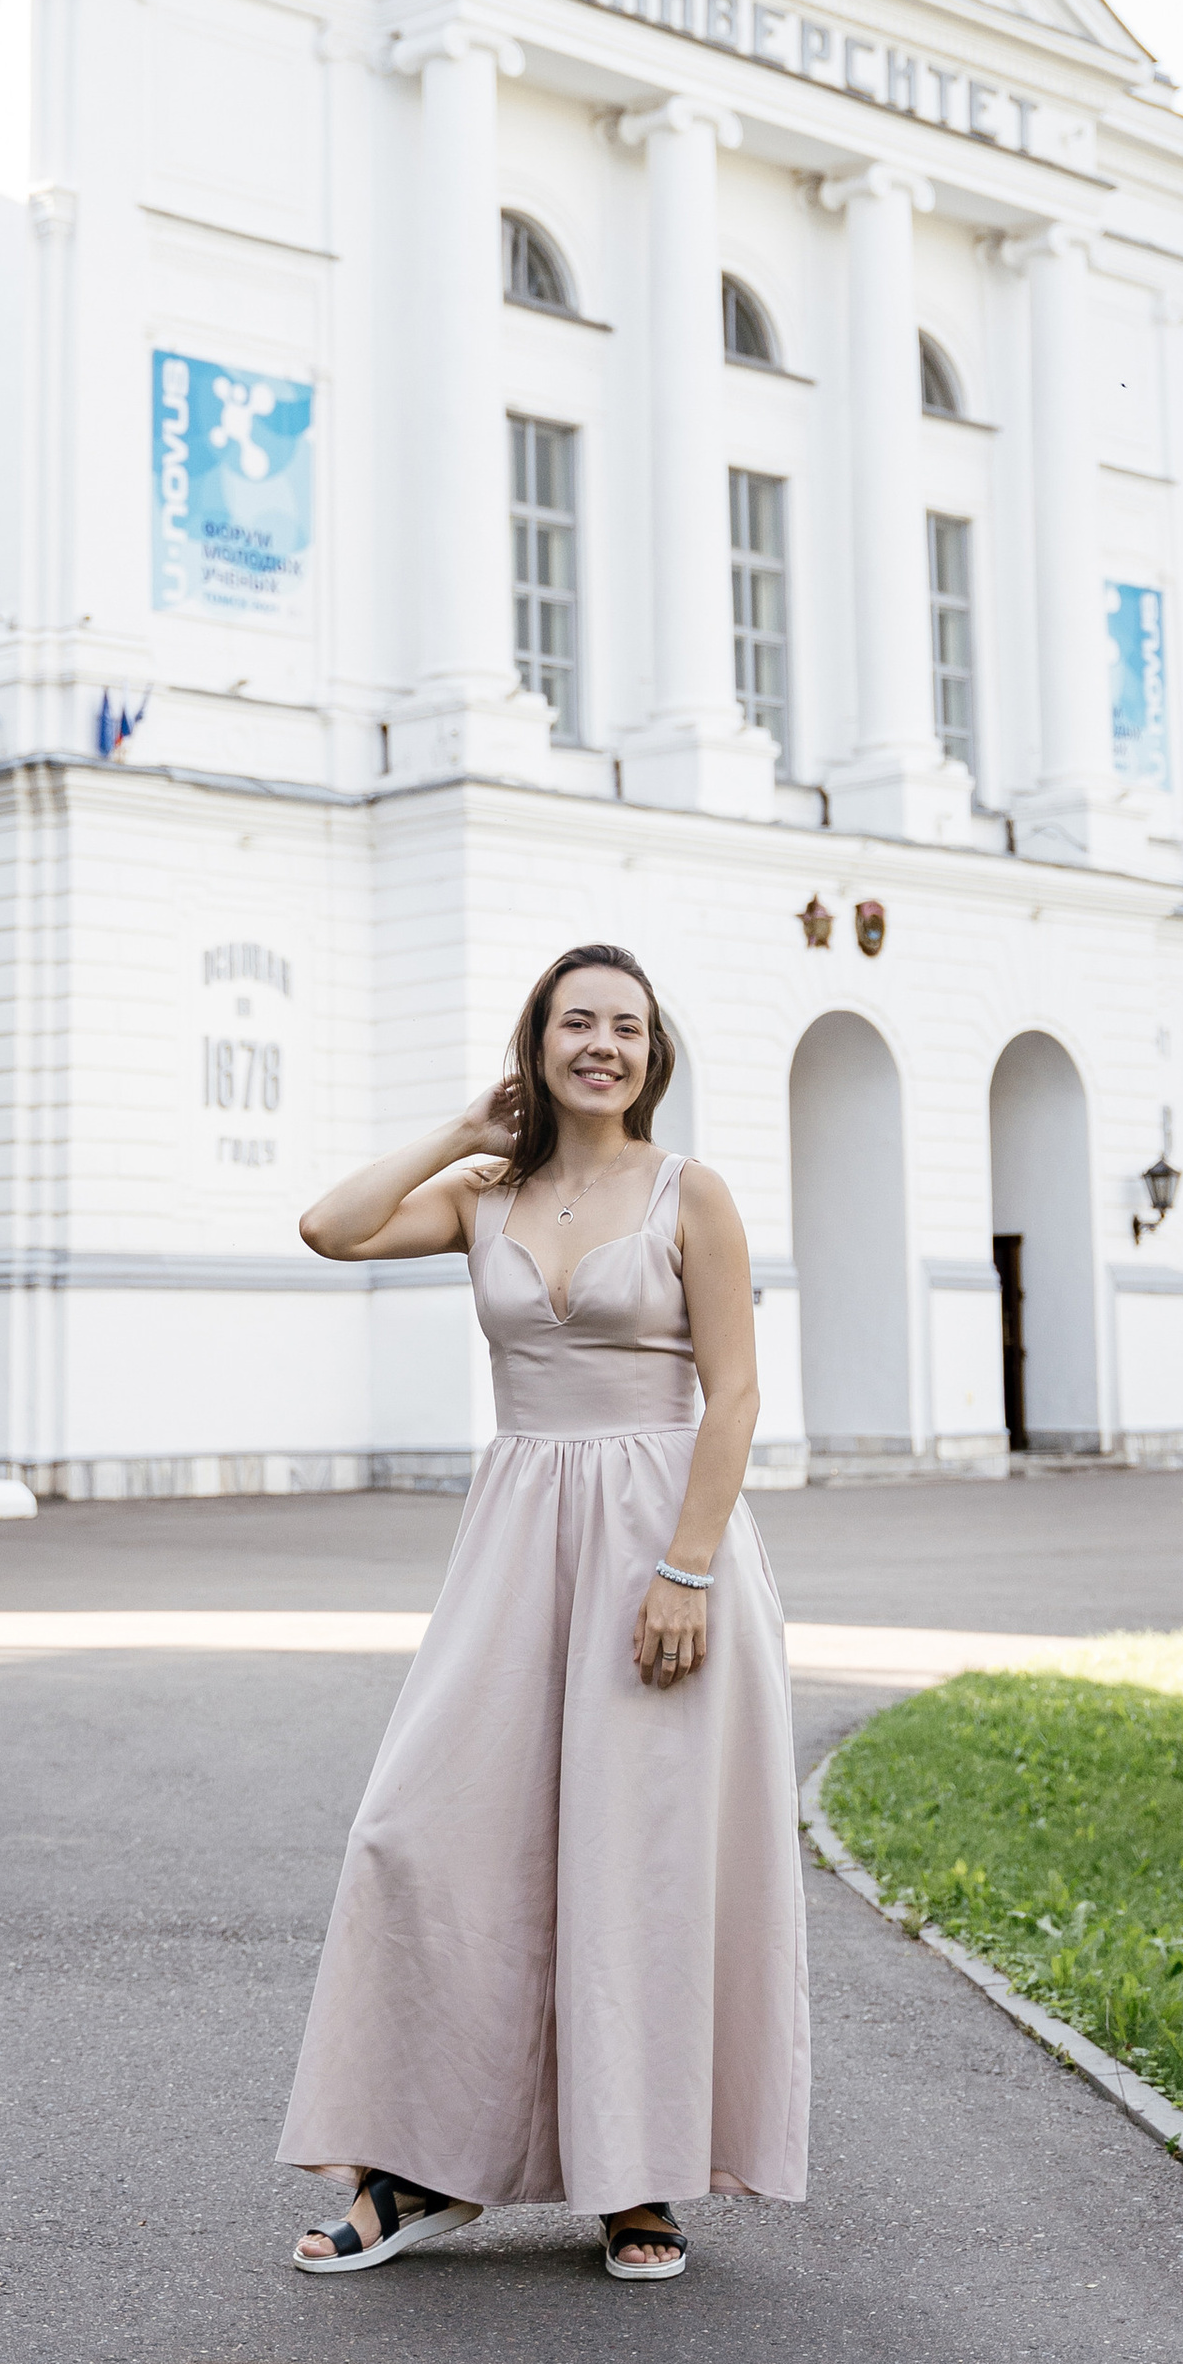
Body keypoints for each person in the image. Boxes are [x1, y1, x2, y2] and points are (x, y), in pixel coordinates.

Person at [277, 942, 809, 2284]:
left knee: (641, 1866)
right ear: (540, 1041)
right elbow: (331, 1226)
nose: (602, 1047)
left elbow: (734, 1397)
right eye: (577, 1023)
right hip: (517, 1540)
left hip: (659, 1547)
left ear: (653, 1054)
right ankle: (424, 2168)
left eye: (626, 1028)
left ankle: (638, 2181)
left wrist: (687, 1567)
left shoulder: (695, 1196)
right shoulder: (481, 1193)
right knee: (423, 1832)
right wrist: (464, 1126)